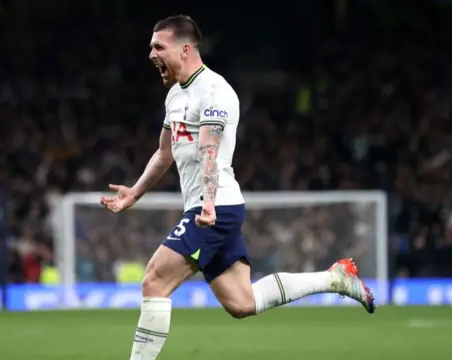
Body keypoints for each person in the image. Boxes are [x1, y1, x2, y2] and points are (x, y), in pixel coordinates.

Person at [100, 14, 376, 359]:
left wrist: (210, 203)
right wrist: (135, 193)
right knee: (241, 302)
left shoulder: (215, 91)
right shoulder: (175, 96)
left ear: (185, 49)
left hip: (214, 207)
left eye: (159, 47)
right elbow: (164, 152)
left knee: (154, 280)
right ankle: (335, 278)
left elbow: (210, 151)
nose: (152, 54)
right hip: (210, 208)